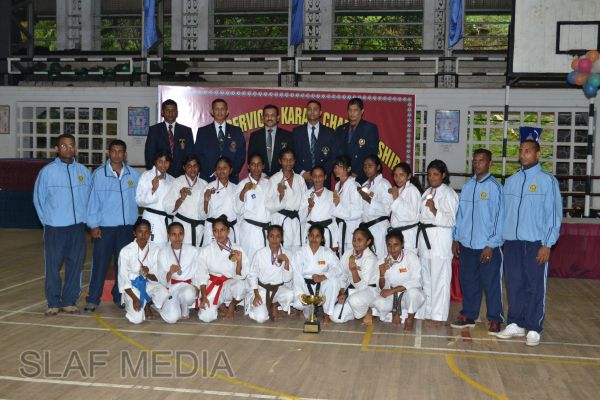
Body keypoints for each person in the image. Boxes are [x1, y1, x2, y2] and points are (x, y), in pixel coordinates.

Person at [495, 140, 561, 346]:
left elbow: (553, 215)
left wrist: (547, 244)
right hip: (512, 243)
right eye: (521, 151)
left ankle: (533, 327)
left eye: (528, 151)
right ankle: (515, 323)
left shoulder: (547, 181)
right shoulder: (511, 181)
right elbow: (503, 214)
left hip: (535, 243)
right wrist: (500, 239)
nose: (523, 155)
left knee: (534, 285)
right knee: (514, 284)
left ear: (537, 154)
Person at [33, 133, 91, 316]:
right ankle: (53, 302)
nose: (68, 149)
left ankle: (69, 301)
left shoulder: (83, 171)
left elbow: (89, 198)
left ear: (75, 148)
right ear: (57, 149)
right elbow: (38, 199)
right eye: (64, 146)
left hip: (77, 227)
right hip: (55, 228)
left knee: (75, 265)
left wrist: (86, 220)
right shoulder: (47, 172)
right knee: (53, 266)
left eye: (71, 145)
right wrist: (48, 221)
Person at [451, 149, 505, 334]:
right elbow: (460, 215)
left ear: (490, 163)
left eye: (481, 161)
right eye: (475, 161)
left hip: (487, 246)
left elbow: (499, 218)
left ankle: (495, 319)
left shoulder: (495, 187)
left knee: (491, 284)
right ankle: (469, 315)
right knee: (468, 282)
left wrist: (491, 245)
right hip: (467, 245)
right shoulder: (467, 186)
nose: (477, 164)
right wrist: (456, 238)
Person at [85, 139, 140, 312]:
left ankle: (120, 297)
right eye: (113, 151)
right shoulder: (99, 174)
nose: (117, 154)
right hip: (105, 228)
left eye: (120, 151)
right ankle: (93, 299)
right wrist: (93, 225)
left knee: (122, 265)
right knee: (100, 263)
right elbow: (92, 201)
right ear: (108, 153)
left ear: (125, 154)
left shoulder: (133, 175)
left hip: (126, 228)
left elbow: (140, 199)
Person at [417, 159, 459, 325]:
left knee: (440, 280)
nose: (432, 177)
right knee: (426, 279)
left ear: (443, 175)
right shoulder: (427, 192)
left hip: (440, 240)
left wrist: (434, 209)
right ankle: (428, 311)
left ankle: (439, 316)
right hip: (425, 239)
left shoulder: (449, 193)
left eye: (435, 174)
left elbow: (451, 220)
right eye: (429, 174)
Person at [117, 219, 170, 324]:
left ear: (150, 233)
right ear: (134, 233)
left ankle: (149, 304)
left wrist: (147, 274)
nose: (143, 235)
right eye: (140, 232)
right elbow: (123, 278)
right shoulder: (126, 251)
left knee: (164, 293)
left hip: (148, 284)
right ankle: (135, 305)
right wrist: (134, 299)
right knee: (137, 319)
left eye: (146, 232)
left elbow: (158, 277)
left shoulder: (155, 249)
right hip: (132, 288)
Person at [197, 217, 249, 322]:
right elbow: (201, 274)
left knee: (241, 286)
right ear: (212, 232)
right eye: (215, 230)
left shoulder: (237, 249)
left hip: (229, 285)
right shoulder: (206, 250)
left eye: (222, 230)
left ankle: (232, 305)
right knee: (205, 317)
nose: (219, 234)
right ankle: (220, 306)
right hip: (212, 285)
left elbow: (240, 276)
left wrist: (239, 261)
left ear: (228, 231)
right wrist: (204, 296)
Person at [372, 229, 425, 331]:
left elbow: (416, 281)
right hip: (393, 296)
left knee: (413, 293)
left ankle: (410, 317)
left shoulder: (410, 256)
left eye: (396, 245)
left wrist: (392, 290)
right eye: (389, 245)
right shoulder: (383, 261)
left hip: (408, 295)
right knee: (378, 302)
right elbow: (382, 289)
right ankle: (394, 312)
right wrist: (382, 274)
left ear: (402, 244)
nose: (392, 249)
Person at [245, 225, 294, 323]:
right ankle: (258, 305)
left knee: (290, 294)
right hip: (262, 289)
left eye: (278, 236)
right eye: (271, 236)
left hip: (278, 288)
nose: (274, 239)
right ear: (267, 237)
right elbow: (252, 274)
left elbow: (287, 279)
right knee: (260, 318)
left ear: (282, 238)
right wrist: (256, 294)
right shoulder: (260, 253)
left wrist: (287, 262)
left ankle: (274, 306)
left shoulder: (288, 253)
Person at [292, 225, 340, 324]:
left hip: (321, 286)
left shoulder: (327, 252)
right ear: (308, 237)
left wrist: (323, 276)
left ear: (322, 239)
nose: (314, 239)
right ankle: (307, 310)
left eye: (317, 236)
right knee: (303, 308)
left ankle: (327, 314)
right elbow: (297, 275)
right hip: (305, 287)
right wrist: (301, 295)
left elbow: (338, 268)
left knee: (333, 281)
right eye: (312, 235)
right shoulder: (300, 252)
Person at [156, 222, 203, 323]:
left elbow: (199, 271)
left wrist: (196, 286)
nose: (177, 238)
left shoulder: (193, 251)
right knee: (172, 318)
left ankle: (184, 309)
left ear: (184, 235)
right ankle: (168, 307)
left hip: (188, 286)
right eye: (174, 234)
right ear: (168, 236)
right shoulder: (163, 252)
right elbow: (160, 276)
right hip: (172, 288)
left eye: (180, 234)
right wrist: (170, 272)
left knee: (188, 293)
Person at [331, 227, 379, 325]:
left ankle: (369, 310)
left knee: (354, 300)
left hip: (369, 292)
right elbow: (342, 274)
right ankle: (357, 312)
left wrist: (354, 271)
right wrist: (341, 291)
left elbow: (363, 287)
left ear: (368, 242)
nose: (356, 243)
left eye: (360, 240)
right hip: (351, 291)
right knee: (335, 317)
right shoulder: (348, 253)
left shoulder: (371, 259)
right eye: (354, 239)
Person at [194, 98, 246, 184]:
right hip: (208, 178)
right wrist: (214, 172)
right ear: (212, 111)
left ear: (227, 112)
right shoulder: (202, 132)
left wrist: (229, 172)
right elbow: (198, 155)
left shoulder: (236, 131)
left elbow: (241, 156)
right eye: (217, 109)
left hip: (230, 179)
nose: (220, 112)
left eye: (222, 109)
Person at [265, 148, 308, 251]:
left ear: (294, 161)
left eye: (291, 160)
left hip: (296, 221)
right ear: (280, 161)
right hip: (280, 221)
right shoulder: (274, 179)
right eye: (285, 160)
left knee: (297, 252)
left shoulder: (300, 179)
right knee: (281, 252)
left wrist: (301, 218)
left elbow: (304, 202)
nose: (288, 163)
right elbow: (268, 205)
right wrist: (281, 195)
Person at [163, 155, 208, 247]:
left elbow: (206, 211)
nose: (192, 169)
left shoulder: (204, 184)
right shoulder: (177, 182)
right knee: (181, 253)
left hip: (199, 227)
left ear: (199, 167)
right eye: (189, 166)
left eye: (195, 166)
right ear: (184, 167)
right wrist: (181, 198)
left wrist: (207, 201)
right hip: (182, 226)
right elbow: (168, 207)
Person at [334, 98, 379, 184]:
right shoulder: (340, 129)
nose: (352, 113)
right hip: (344, 176)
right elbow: (336, 153)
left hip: (362, 176)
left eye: (355, 110)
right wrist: (346, 172)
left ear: (362, 111)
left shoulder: (369, 128)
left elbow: (372, 155)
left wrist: (360, 174)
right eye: (350, 110)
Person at [235, 153, 272, 260]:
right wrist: (244, 191)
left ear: (263, 166)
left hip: (265, 229)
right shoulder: (243, 184)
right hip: (250, 231)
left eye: (259, 164)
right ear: (248, 166)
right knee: (249, 260)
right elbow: (237, 209)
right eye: (253, 164)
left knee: (264, 261)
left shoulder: (268, 183)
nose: (256, 167)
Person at [144, 99, 193, 177]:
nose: (170, 113)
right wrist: (154, 174)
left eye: (173, 110)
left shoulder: (186, 131)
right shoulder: (154, 130)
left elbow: (190, 155)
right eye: (167, 110)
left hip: (181, 176)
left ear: (177, 113)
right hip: (160, 175)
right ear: (162, 112)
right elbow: (149, 154)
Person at [292, 100, 336, 186]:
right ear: (306, 112)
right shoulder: (297, 132)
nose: (312, 112)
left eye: (315, 109)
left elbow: (333, 157)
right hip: (302, 180)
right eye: (309, 109)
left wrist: (321, 174)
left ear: (320, 113)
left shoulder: (329, 132)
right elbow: (292, 156)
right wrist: (303, 173)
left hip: (323, 180)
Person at [136, 151, 174, 245]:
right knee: (152, 249)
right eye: (160, 161)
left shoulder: (172, 179)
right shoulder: (147, 175)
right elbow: (139, 201)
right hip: (152, 220)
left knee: (166, 250)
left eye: (166, 162)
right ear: (155, 162)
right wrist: (153, 190)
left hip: (168, 221)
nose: (163, 165)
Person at [358, 155, 393, 258]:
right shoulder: (364, 185)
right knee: (368, 259)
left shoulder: (384, 184)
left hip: (379, 227)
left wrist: (369, 199)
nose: (367, 169)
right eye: (365, 166)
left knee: (380, 258)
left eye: (370, 166)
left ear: (378, 167)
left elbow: (387, 210)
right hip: (366, 228)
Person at [247, 104, 293, 176]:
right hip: (260, 177)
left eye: (272, 115)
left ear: (278, 118)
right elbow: (251, 159)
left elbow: (291, 159)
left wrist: (278, 176)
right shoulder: (255, 136)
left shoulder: (287, 136)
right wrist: (263, 176)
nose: (269, 118)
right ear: (263, 118)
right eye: (267, 115)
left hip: (281, 177)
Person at [331, 155, 362, 256]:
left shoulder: (355, 186)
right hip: (340, 229)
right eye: (335, 167)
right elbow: (334, 210)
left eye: (340, 167)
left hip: (351, 230)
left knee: (352, 259)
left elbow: (358, 211)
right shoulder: (337, 185)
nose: (337, 170)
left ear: (348, 169)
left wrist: (338, 206)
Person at [203, 157, 239, 244]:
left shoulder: (236, 188)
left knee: (230, 252)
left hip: (230, 230)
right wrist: (206, 201)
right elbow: (202, 214)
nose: (222, 170)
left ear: (230, 170)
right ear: (215, 170)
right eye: (219, 168)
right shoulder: (208, 187)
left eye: (225, 168)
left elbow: (239, 211)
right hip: (214, 230)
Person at [389, 162, 423, 253]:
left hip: (408, 235)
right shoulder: (399, 190)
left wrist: (396, 198)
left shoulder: (412, 190)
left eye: (401, 175)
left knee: (408, 261)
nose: (398, 178)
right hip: (397, 234)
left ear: (409, 176)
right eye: (395, 175)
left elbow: (411, 215)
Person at [304, 166, 339, 250]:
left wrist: (335, 241)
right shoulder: (306, 194)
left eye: (320, 176)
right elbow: (301, 216)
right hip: (312, 232)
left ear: (325, 177)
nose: (317, 179)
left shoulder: (332, 194)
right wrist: (309, 207)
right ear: (311, 177)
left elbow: (334, 218)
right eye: (315, 176)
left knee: (327, 256)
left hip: (327, 231)